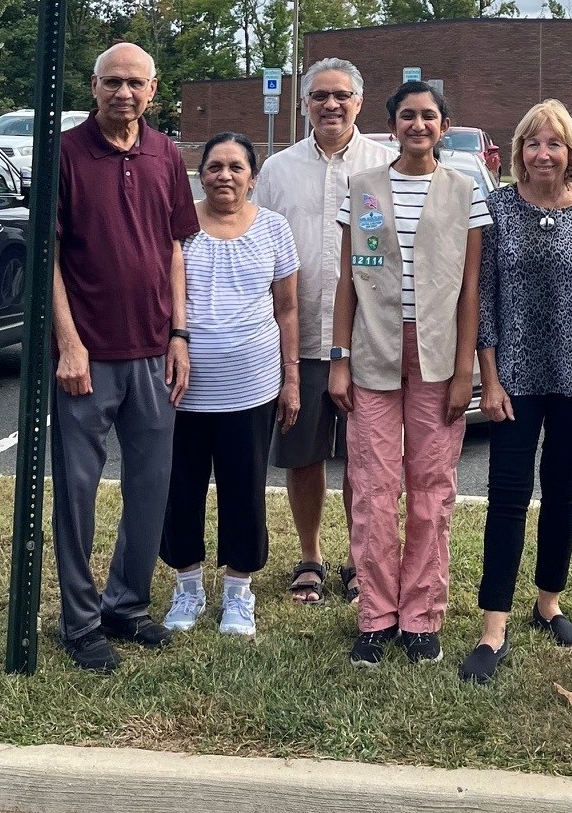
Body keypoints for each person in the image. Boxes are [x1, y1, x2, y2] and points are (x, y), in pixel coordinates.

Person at [329, 80, 492, 666]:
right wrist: (339, 359)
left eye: (428, 116)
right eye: (407, 116)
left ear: (443, 126)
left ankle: (421, 614)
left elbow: (472, 288)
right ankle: (375, 613)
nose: (418, 125)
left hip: (439, 353)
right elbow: (347, 279)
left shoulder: (465, 191)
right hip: (372, 351)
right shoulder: (363, 187)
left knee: (431, 490)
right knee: (373, 489)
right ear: (391, 124)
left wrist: (462, 370)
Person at [51, 42, 200, 672]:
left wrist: (179, 335)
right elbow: (48, 260)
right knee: (77, 492)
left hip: (153, 351)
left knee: (151, 485)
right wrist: (69, 344)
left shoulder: (165, 154)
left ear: (153, 89)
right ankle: (80, 622)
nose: (123, 93)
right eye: (112, 82)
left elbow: (173, 249)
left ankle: (126, 604)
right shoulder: (63, 153)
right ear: (93, 87)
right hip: (87, 356)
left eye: (135, 83)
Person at [458, 100, 572, 684]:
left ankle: (548, 600)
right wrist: (489, 379)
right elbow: (484, 300)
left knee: (564, 491)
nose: (542, 153)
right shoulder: (497, 209)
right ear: (518, 152)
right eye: (532, 143)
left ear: (571, 152)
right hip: (514, 382)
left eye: (554, 143)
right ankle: (492, 625)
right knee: (506, 495)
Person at [257, 58, 392, 607]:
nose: (331, 105)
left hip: (371, 338)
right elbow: (258, 244)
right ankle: (310, 556)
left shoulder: (385, 165)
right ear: (304, 104)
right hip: (299, 339)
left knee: (366, 456)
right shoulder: (277, 169)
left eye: (341, 95)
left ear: (359, 102)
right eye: (319, 96)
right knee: (303, 454)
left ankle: (362, 559)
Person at [159, 133, 301, 639]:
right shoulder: (179, 228)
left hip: (252, 386)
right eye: (215, 166)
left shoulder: (274, 229)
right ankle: (188, 585)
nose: (225, 175)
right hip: (184, 387)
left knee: (244, 489)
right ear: (201, 173)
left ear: (252, 176)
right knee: (181, 486)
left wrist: (292, 379)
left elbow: (287, 309)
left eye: (236, 167)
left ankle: (239, 591)